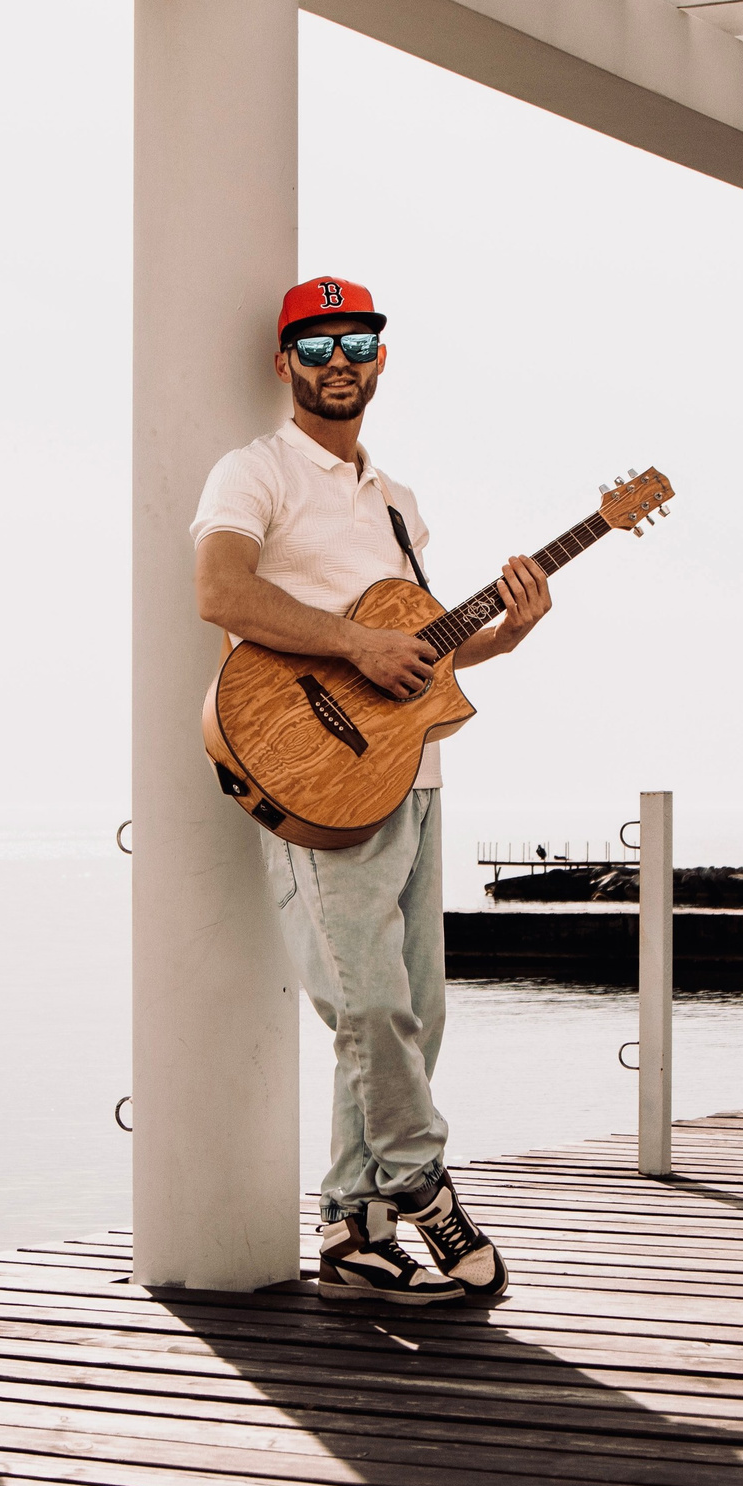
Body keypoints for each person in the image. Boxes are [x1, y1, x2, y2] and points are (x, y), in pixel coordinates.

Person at [190, 275, 552, 1304]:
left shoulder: (398, 501)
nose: (337, 361)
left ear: (381, 359)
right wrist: (352, 642)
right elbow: (220, 591)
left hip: (411, 771)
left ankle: (351, 1228)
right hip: (317, 780)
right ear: (284, 363)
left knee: (414, 1013)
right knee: (369, 1004)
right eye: (315, 346)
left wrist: (506, 634)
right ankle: (423, 1186)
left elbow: (419, 653)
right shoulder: (254, 472)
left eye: (356, 343)